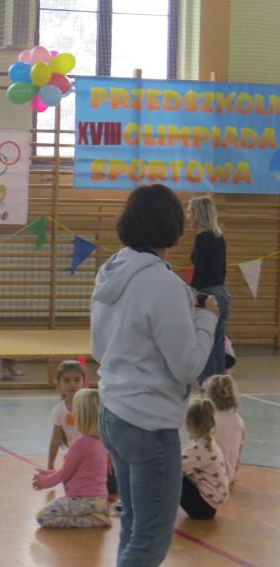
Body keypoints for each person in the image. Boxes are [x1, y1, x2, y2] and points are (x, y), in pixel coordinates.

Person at [92, 184, 218, 567]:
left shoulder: (112, 270)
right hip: (147, 423)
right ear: (172, 226)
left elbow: (100, 347)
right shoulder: (162, 283)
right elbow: (186, 366)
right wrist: (207, 319)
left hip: (114, 411)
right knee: (149, 543)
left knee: (134, 526)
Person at [33, 388, 111, 528]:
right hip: (99, 499)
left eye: (74, 409)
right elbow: (76, 471)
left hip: (82, 500)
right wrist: (49, 473)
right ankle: (96, 512)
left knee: (43, 517)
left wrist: (43, 482)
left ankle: (93, 520)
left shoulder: (80, 443)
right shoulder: (101, 440)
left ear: (82, 415)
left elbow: (64, 473)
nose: (71, 412)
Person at [187, 195, 230, 386]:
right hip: (222, 294)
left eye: (190, 211)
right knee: (218, 349)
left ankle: (208, 391)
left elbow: (201, 272)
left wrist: (194, 296)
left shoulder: (202, 238)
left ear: (198, 213)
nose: (188, 216)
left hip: (208, 296)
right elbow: (222, 269)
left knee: (206, 348)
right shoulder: (219, 238)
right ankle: (220, 392)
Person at [181, 398, 230, 519]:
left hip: (203, 509)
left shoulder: (199, 448)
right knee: (181, 473)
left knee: (173, 477)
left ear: (189, 422)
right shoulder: (206, 440)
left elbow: (174, 465)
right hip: (210, 506)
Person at [204, 374, 246, 484]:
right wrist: (233, 473)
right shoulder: (239, 420)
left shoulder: (208, 419)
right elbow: (239, 451)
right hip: (228, 475)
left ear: (209, 395)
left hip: (209, 476)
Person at [47, 361, 84, 470]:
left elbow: (103, 434)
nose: (72, 384)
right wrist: (50, 465)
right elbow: (56, 439)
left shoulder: (90, 405)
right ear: (59, 384)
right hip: (75, 457)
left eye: (77, 380)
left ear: (83, 382)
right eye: (67, 380)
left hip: (96, 456)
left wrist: (109, 455)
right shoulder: (59, 410)